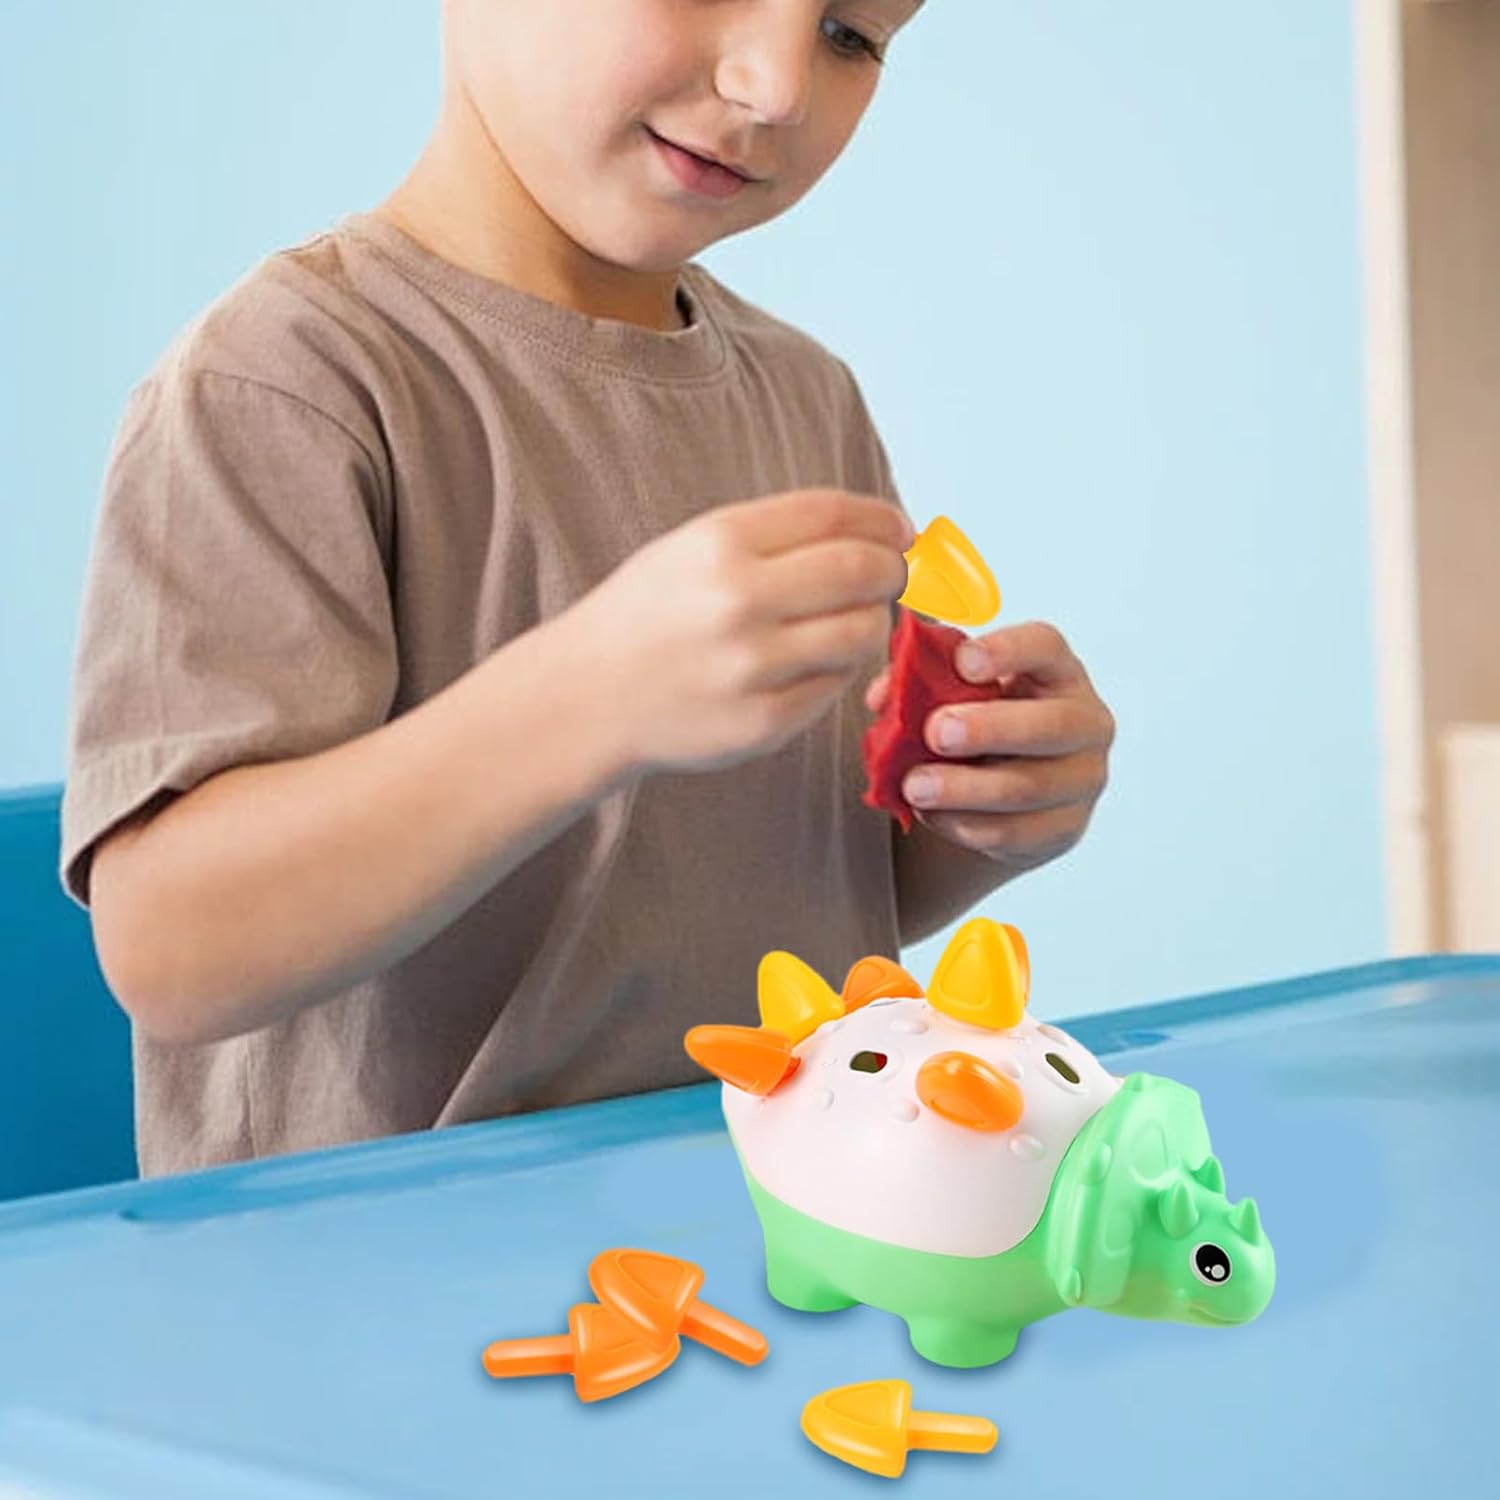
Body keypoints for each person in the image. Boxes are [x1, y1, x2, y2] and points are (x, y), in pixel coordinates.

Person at [61, 0, 1115, 1178]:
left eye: (850, 35)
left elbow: (791, 892)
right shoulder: (284, 383)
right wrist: (590, 702)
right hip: (394, 1258)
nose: (776, 86)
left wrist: (979, 816)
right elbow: (174, 952)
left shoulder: (810, 398)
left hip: (764, 1219)